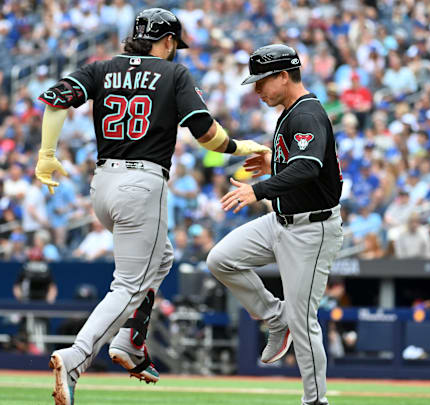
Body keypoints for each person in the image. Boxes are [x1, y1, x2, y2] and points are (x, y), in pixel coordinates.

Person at [36, 8, 269, 403]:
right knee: (128, 284)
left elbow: (56, 99)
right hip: (143, 184)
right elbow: (206, 134)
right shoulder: (173, 74)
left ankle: (130, 340)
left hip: (103, 184)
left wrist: (46, 153)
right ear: (166, 41)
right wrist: (241, 146)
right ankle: (75, 358)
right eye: (174, 43)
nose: (175, 50)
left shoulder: (102, 67)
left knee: (161, 259)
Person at [207, 44, 343, 405]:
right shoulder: (289, 112)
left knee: (304, 321)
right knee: (221, 259)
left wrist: (259, 189)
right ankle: (273, 316)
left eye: (262, 81)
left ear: (284, 76)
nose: (256, 89)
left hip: (312, 229)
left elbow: (309, 167)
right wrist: (275, 165)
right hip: (281, 221)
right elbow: (302, 167)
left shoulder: (308, 112)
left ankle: (316, 400)